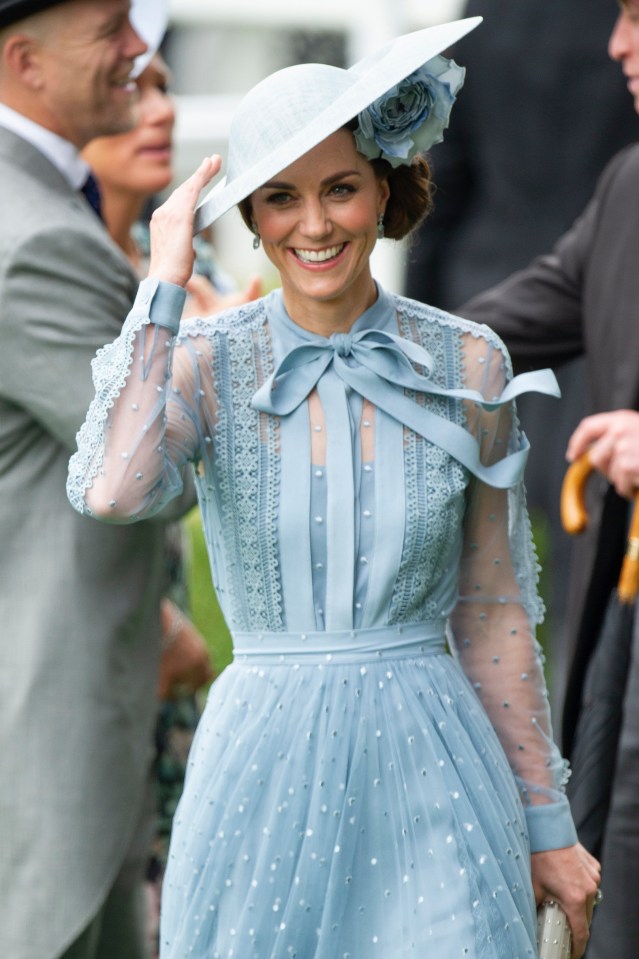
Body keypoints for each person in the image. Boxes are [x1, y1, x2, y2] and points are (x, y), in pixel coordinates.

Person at [67, 17, 600, 959]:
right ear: (252, 217)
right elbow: (113, 490)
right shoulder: (203, 363)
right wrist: (162, 283)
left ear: (384, 188)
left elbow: (492, 609)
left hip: (436, 767)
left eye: (340, 189)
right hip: (259, 777)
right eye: (279, 198)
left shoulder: (468, 360)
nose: (313, 225)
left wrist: (547, 826)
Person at [0, 3, 195, 958]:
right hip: (44, 733)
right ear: (24, 61)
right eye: (112, 28)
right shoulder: (32, 235)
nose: (138, 51)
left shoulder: (44, 206)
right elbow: (145, 458)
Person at [457, 2, 639, 956]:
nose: (616, 46)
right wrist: (333, 334)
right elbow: (500, 318)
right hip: (618, 589)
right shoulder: (626, 184)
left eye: (637, 20)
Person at [404, 0, 639, 713]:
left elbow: (441, 181)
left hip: (507, 304)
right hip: (567, 327)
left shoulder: (485, 12)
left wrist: (422, 314)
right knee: (575, 572)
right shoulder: (626, 181)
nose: (615, 45)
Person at [82, 49, 262, 956]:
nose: (156, 111)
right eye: (133, 89)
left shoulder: (201, 282)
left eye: (163, 86)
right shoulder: (72, 268)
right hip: (109, 629)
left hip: (174, 604)